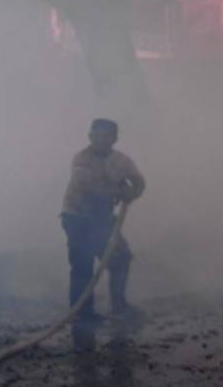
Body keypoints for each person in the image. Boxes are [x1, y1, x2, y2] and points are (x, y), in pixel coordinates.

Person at [61, 118, 145, 324]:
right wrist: (119, 191)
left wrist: (133, 190)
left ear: (114, 139)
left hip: (102, 219)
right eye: (95, 135)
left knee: (121, 258)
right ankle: (82, 314)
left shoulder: (122, 161)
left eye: (105, 136)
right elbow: (88, 188)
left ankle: (118, 304)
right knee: (83, 265)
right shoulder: (81, 159)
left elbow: (138, 180)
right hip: (77, 218)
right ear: (89, 136)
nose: (100, 140)